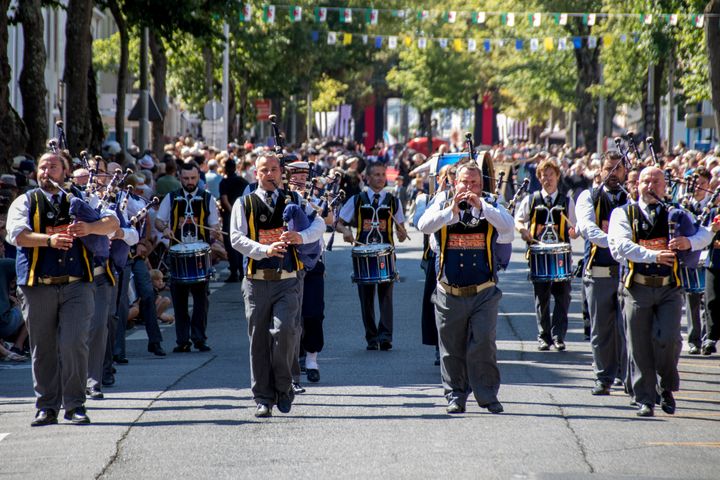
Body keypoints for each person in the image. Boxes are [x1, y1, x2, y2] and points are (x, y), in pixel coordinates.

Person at [6, 152, 119, 426]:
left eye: (53, 166)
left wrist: (90, 226)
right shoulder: (24, 201)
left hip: (77, 284)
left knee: (74, 344)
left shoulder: (80, 200)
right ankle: (46, 406)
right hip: (37, 285)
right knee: (42, 348)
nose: (46, 171)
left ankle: (75, 406)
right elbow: (17, 235)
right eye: (42, 167)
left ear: (65, 173)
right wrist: (49, 240)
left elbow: (113, 223)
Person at [608, 166, 712, 417]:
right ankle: (645, 398)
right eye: (645, 181)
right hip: (637, 287)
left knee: (669, 340)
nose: (650, 186)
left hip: (669, 289)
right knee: (639, 344)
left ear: (665, 187)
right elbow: (620, 246)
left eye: (656, 181)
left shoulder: (676, 214)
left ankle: (666, 386)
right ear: (636, 185)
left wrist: (690, 242)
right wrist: (654, 255)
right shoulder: (623, 213)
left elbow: (705, 234)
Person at [230, 153, 325, 417]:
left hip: (288, 281)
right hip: (256, 282)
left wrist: (300, 236)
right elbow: (236, 238)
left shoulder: (294, 199)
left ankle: (284, 387)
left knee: (286, 334)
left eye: (274, 169)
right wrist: (264, 249)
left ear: (281, 173)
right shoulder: (244, 203)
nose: (270, 174)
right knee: (258, 341)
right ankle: (262, 397)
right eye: (264, 170)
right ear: (256, 174)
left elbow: (318, 224)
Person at [417, 161, 514, 414]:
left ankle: (488, 395)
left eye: (474, 183)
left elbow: (508, 229)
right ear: (454, 182)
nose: (468, 187)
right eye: (464, 182)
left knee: (483, 343)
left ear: (481, 185)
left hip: (484, 290)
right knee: (451, 348)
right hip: (449, 290)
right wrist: (450, 211)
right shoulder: (441, 203)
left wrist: (482, 207)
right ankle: (456, 395)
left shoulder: (491, 204)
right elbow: (423, 226)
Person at [336, 162, 408, 351]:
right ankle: (371, 337)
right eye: (376, 174)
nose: (380, 178)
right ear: (367, 178)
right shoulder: (357, 199)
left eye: (383, 174)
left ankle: (385, 336)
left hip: (386, 253)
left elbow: (401, 231)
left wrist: (401, 234)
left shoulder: (393, 200)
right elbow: (338, 222)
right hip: (363, 254)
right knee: (366, 297)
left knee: (386, 296)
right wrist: (345, 231)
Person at [575, 152, 629, 395]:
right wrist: (618, 242)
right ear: (600, 170)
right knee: (601, 329)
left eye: (617, 169)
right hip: (598, 272)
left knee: (626, 328)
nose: (613, 173)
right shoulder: (589, 196)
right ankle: (603, 377)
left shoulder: (631, 199)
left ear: (625, 172)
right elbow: (587, 228)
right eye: (609, 168)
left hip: (626, 272)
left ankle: (627, 377)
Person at [515, 158, 578, 351]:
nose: (547, 179)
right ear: (538, 177)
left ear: (558, 176)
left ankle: (558, 336)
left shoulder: (567, 201)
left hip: (561, 255)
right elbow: (518, 220)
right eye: (543, 175)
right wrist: (523, 231)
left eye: (551, 175)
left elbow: (576, 226)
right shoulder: (531, 199)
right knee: (541, 297)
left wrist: (574, 231)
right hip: (538, 254)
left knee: (562, 297)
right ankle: (544, 336)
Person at [156, 162, 220, 352]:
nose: (190, 182)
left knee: (201, 300)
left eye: (193, 178)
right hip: (177, 254)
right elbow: (159, 220)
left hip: (200, 255)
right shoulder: (171, 197)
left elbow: (214, 225)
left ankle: (199, 338)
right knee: (179, 300)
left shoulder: (207, 198)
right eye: (186, 179)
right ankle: (182, 340)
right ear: (179, 178)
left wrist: (215, 232)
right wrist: (165, 229)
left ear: (198, 177)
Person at [683, 167, 712, 354]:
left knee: (708, 299)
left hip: (709, 257)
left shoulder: (714, 206)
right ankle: (694, 339)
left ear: (709, 185)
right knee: (692, 296)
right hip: (691, 256)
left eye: (702, 184)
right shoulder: (684, 206)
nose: (698, 187)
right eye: (695, 184)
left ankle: (707, 336)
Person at [219, 158, 248, 283]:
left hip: (229, 216)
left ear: (225, 169)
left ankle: (234, 272)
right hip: (242, 214)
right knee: (242, 241)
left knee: (231, 244)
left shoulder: (224, 182)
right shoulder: (243, 181)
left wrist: (232, 212)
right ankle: (242, 271)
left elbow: (224, 200)